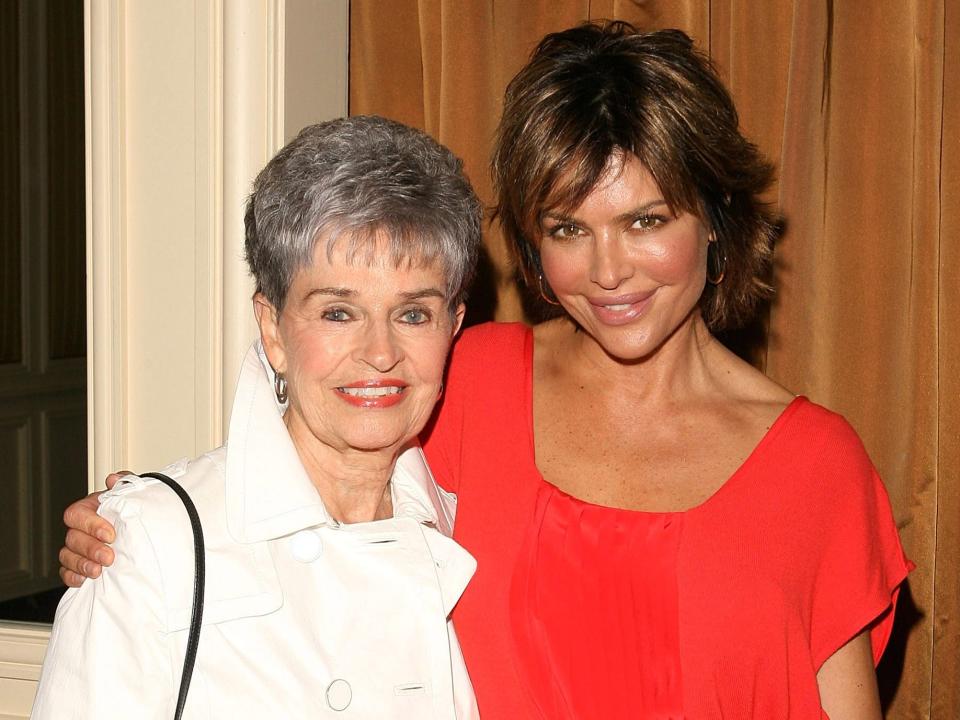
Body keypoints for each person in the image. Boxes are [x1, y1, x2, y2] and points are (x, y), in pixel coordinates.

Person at [58, 22, 911, 720]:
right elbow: (318, 459)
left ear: (717, 219)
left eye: (646, 218)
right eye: (569, 228)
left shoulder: (815, 466)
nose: (609, 270)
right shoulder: (473, 382)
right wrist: (143, 525)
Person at [35, 116, 482, 719]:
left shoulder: (468, 532)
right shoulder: (150, 544)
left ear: (453, 326)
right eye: (337, 313)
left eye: (413, 315)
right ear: (273, 328)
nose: (381, 354)